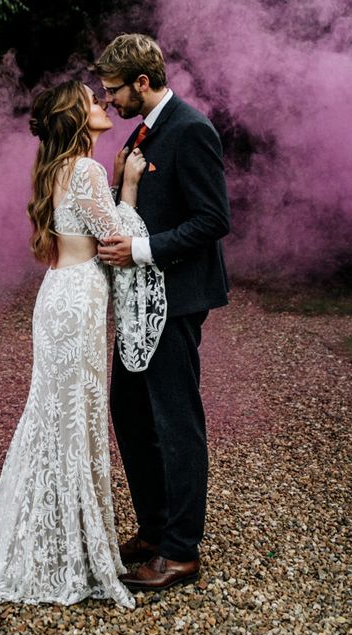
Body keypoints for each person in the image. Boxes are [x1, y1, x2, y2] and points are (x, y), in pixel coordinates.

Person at [0, 79, 164, 611]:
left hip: (59, 297)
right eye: (93, 101)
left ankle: (54, 544)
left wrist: (112, 180)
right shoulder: (86, 169)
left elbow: (84, 227)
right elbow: (115, 238)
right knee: (72, 415)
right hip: (78, 300)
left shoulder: (56, 170)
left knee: (56, 415)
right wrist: (129, 185)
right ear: (77, 117)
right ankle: (67, 553)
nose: (101, 104)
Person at [93, 34, 231, 591]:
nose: (108, 103)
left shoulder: (193, 130)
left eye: (113, 92)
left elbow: (213, 219)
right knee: (129, 410)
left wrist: (140, 251)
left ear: (142, 83)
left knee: (176, 419)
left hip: (175, 301)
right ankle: (152, 528)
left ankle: (180, 550)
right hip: (138, 301)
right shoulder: (144, 129)